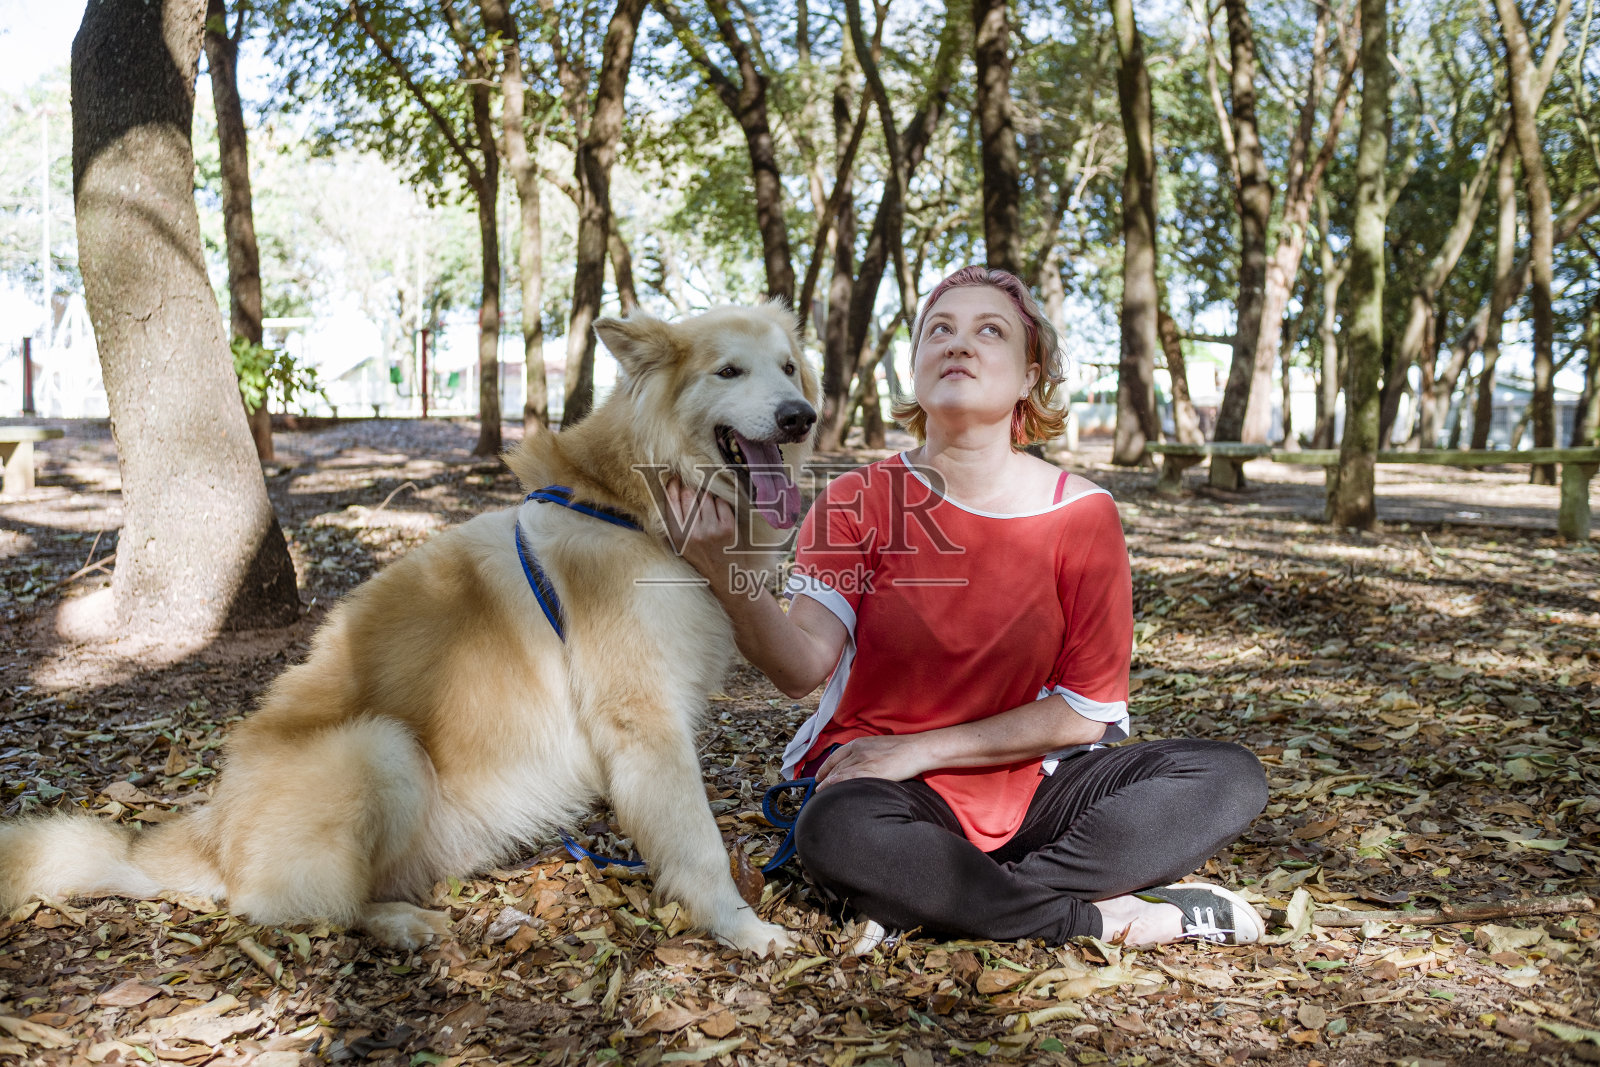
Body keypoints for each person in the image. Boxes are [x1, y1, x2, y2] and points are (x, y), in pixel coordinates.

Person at [665, 266, 1268, 950]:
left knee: (1227, 777)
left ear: (1029, 376)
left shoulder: (1083, 513)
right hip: (887, 793)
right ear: (917, 366)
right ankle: (1105, 916)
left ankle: (956, 896)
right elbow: (801, 666)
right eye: (939, 331)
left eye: (990, 331)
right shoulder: (857, 499)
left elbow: (1085, 710)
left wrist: (918, 749)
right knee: (836, 832)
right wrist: (722, 567)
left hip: (1035, 787)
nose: (959, 344)